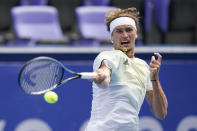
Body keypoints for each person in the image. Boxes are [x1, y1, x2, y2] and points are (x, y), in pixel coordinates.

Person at [85, 7, 168, 131]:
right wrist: (102, 76)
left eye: (129, 30)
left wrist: (154, 80)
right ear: (112, 37)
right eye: (119, 31)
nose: (125, 35)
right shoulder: (107, 56)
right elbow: (105, 73)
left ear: (136, 34)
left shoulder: (143, 67)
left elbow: (161, 113)